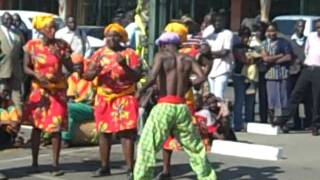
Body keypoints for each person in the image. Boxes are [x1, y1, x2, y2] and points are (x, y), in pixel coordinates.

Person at [134, 32, 216, 180]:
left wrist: (141, 90)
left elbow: (152, 77)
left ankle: (141, 177)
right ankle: (207, 177)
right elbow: (202, 76)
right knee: (195, 147)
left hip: (164, 106)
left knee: (147, 145)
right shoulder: (187, 59)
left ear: (164, 45)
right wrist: (189, 84)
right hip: (182, 107)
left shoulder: (161, 56)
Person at [84, 23, 141, 179]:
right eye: (109, 35)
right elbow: (86, 76)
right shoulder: (99, 54)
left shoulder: (130, 53)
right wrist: (94, 71)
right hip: (104, 97)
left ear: (121, 38)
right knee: (104, 133)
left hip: (125, 96)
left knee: (126, 133)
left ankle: (130, 168)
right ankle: (104, 167)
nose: (111, 38)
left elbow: (137, 76)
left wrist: (124, 65)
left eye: (115, 35)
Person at [23, 15, 73, 176]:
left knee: (56, 128)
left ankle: (55, 165)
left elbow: (71, 67)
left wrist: (60, 56)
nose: (52, 30)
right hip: (39, 91)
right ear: (40, 30)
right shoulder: (31, 46)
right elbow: (26, 67)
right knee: (37, 127)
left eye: (53, 27)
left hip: (57, 91)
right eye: (48, 28)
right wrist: (36, 75)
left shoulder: (62, 45)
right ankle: (34, 162)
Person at [275, 19, 320, 136]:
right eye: (317, 27)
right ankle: (283, 119)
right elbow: (306, 51)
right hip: (307, 68)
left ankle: (315, 125)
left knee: (316, 99)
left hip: (319, 71)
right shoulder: (311, 37)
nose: (319, 30)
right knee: (296, 94)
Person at [261, 23, 292, 132]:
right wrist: (279, 56)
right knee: (272, 98)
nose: (271, 33)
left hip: (282, 74)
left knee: (284, 98)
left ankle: (284, 122)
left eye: (273, 31)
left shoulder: (284, 42)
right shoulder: (264, 44)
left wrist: (273, 60)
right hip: (270, 74)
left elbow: (288, 57)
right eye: (269, 31)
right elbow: (265, 59)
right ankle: (273, 121)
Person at [61, 53, 95, 147]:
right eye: (75, 66)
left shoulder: (92, 77)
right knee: (63, 108)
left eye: (79, 65)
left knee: (67, 107)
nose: (77, 68)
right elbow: (71, 96)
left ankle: (66, 138)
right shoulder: (73, 77)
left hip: (91, 107)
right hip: (78, 107)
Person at [204, 12, 234, 99]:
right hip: (210, 69)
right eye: (215, 21)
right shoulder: (209, 34)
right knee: (211, 97)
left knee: (218, 96)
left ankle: (222, 111)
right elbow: (203, 49)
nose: (217, 23)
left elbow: (224, 52)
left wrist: (210, 53)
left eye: (220, 21)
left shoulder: (227, 33)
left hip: (223, 69)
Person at [289, 20, 312, 130]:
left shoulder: (308, 40)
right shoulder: (290, 41)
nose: (301, 29)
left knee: (308, 99)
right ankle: (296, 123)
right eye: (299, 26)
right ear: (295, 27)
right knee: (295, 98)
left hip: (306, 72)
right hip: (294, 73)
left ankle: (308, 123)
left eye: (302, 27)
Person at [232, 26, 256, 131]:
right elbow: (244, 60)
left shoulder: (253, 47)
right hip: (239, 76)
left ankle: (249, 123)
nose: (245, 39)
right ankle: (238, 124)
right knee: (239, 100)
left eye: (248, 37)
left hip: (251, 77)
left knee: (250, 100)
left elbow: (259, 57)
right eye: (243, 36)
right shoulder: (237, 47)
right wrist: (252, 57)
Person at [0, 12, 23, 112]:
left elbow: (21, 53)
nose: (8, 21)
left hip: (15, 70)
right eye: (6, 19)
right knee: (2, 95)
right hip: (2, 71)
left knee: (16, 97)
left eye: (10, 19)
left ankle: (17, 119)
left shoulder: (17, 34)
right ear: (2, 20)